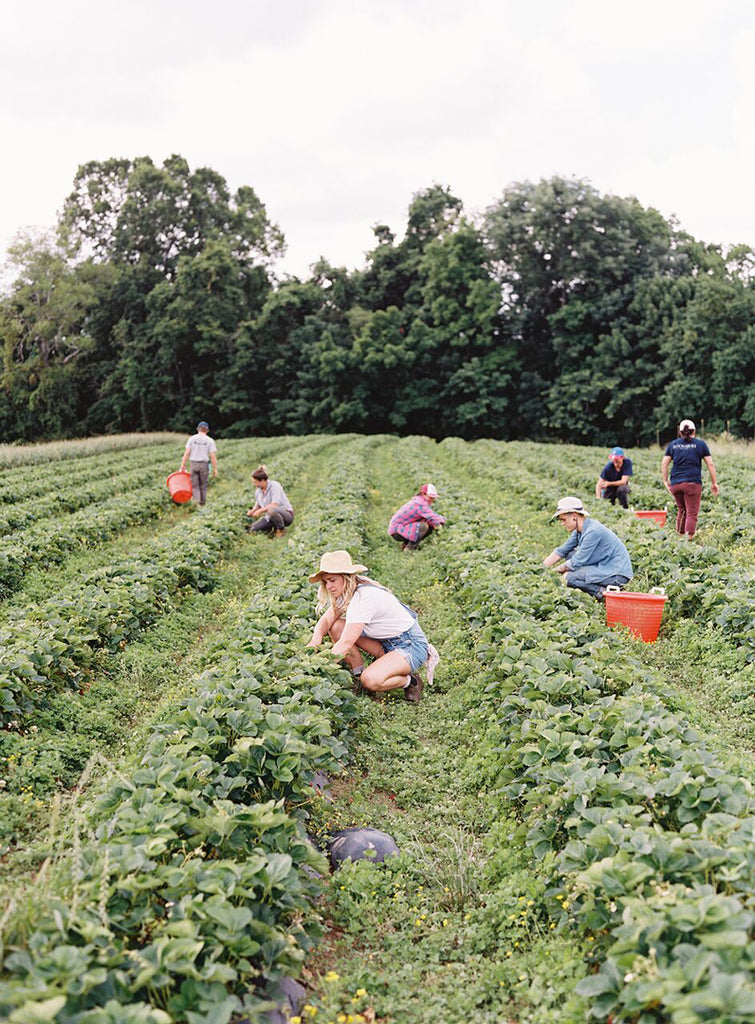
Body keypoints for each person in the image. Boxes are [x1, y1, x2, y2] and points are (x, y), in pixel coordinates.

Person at [307, 550, 438, 702]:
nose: (328, 586)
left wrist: (319, 668)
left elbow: (346, 643)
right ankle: (358, 674)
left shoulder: (363, 598)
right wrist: (315, 640)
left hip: (409, 645)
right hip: (385, 643)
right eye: (325, 582)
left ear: (346, 577)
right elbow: (327, 620)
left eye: (332, 580)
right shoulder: (349, 591)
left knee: (370, 680)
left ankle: (411, 681)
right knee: (336, 626)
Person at [543, 496, 633, 600]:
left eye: (563, 519)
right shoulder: (579, 530)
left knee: (568, 578)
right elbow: (562, 550)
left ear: (574, 516)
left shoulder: (592, 531)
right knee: (570, 554)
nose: (562, 523)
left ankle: (602, 593)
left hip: (617, 574)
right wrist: (542, 568)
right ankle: (597, 585)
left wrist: (554, 572)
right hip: (603, 566)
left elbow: (577, 561)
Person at [661, 419, 719, 538]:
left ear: (680, 432)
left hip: (676, 484)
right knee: (692, 513)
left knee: (682, 510)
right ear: (694, 431)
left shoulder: (673, 445)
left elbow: (664, 463)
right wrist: (714, 483)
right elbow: (710, 464)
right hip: (692, 484)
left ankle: (680, 539)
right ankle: (689, 541)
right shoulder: (700, 444)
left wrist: (665, 481)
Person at [388, 483, 446, 551]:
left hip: (398, 529)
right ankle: (410, 549)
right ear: (423, 494)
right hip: (397, 531)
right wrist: (445, 522)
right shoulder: (420, 504)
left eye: (433, 497)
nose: (432, 499)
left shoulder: (419, 500)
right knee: (423, 526)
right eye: (431, 497)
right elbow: (432, 517)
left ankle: (405, 546)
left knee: (428, 524)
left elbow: (430, 518)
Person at [246, 465, 294, 537]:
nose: (254, 484)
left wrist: (260, 511)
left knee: (272, 510)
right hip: (270, 517)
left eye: (255, 482)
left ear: (262, 481)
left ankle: (281, 529)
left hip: (286, 515)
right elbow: (258, 504)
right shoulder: (258, 491)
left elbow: (275, 505)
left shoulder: (274, 486)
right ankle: (271, 530)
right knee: (252, 529)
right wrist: (252, 511)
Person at [179, 421, 218, 508]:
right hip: (204, 464)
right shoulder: (210, 440)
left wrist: (183, 465)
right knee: (203, 485)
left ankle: (197, 504)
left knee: (195, 486)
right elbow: (212, 456)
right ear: (207, 430)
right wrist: (215, 469)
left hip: (194, 463)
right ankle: (203, 504)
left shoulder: (192, 439)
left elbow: (187, 453)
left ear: (198, 429)